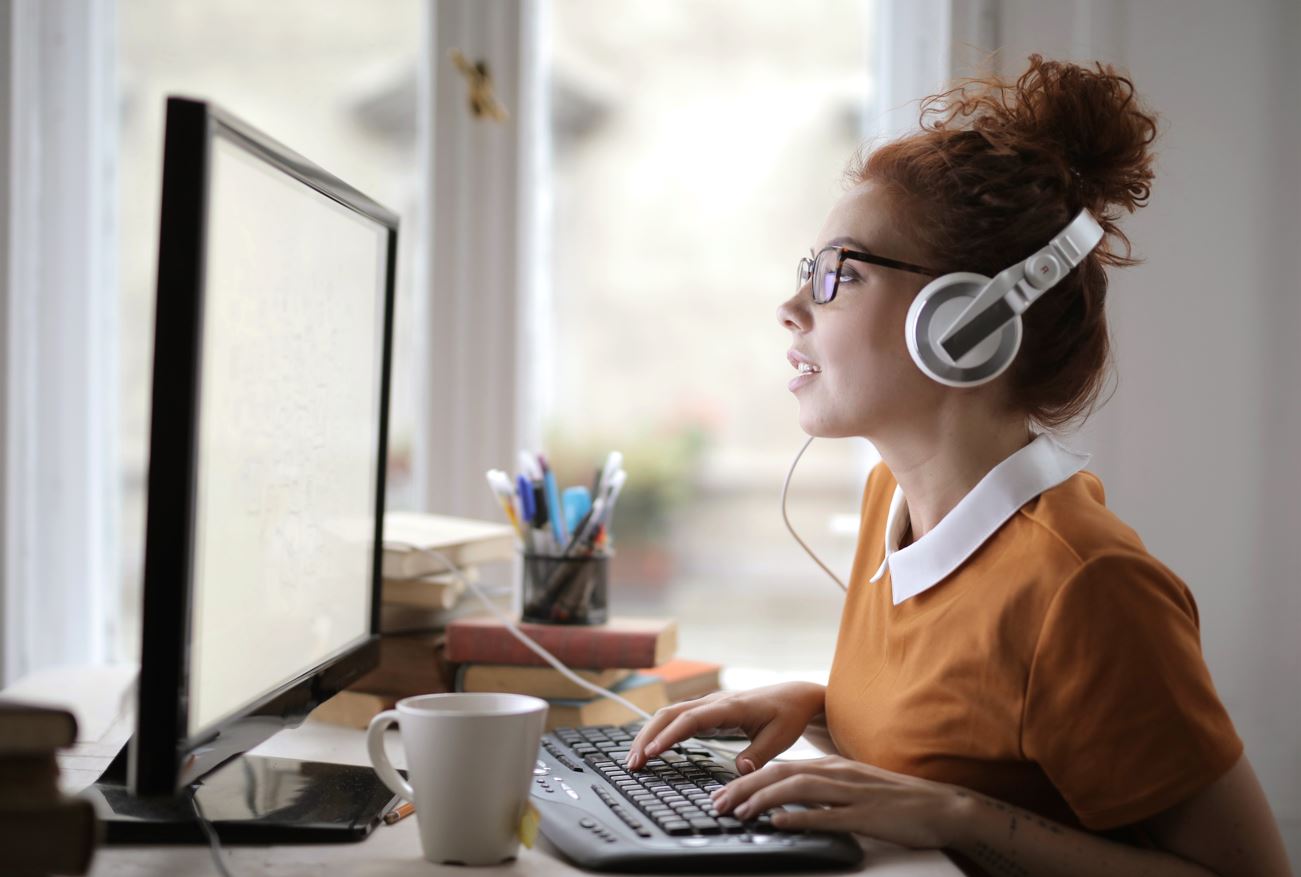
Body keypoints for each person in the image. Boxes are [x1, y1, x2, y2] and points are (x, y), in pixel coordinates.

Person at [624, 55, 1293, 876]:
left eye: (840, 274)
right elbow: (969, 730)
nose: (791, 307)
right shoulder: (893, 500)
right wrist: (814, 706)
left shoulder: (1086, 586)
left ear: (961, 325)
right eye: (809, 272)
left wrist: (958, 816)